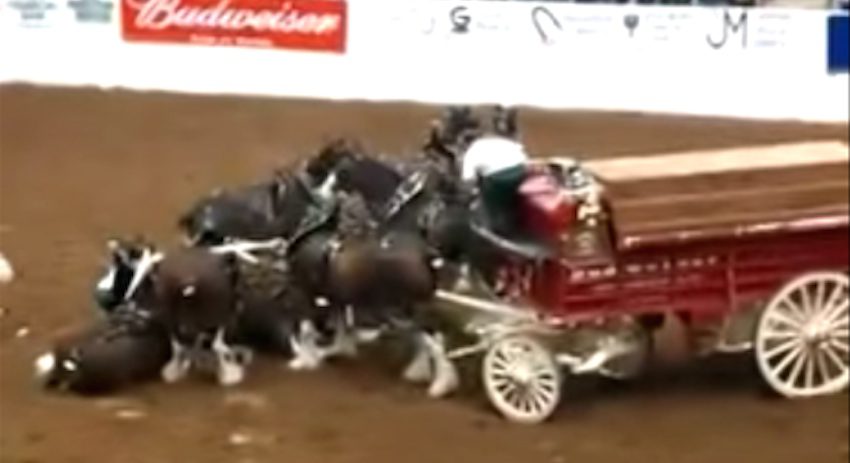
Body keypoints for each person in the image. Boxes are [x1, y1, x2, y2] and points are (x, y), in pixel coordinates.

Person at [461, 134, 530, 235]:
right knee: (507, 196)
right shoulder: (494, 140)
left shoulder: (470, 153)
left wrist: (473, 193)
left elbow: (468, 179)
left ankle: (495, 230)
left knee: (490, 197)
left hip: (501, 177)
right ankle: (514, 218)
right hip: (521, 169)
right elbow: (520, 148)